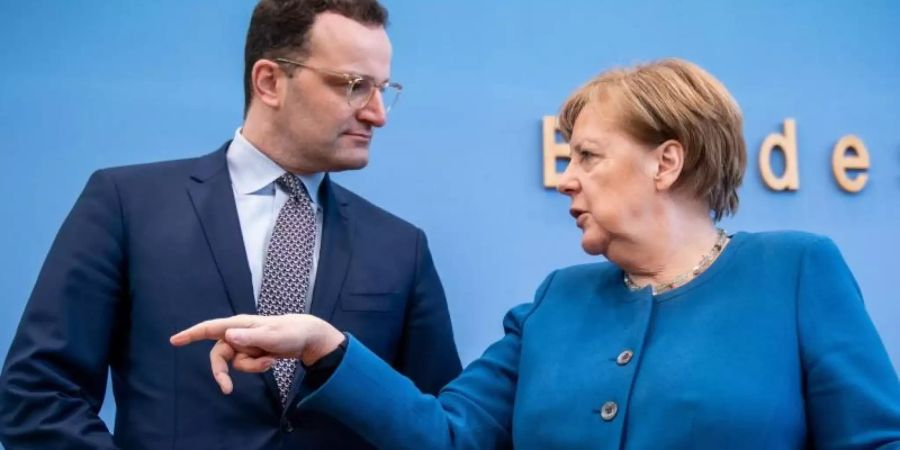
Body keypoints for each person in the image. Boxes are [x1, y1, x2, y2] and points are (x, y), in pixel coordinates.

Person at [171, 58, 900, 449]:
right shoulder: (557, 301)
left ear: (666, 163)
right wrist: (325, 344)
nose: (565, 177)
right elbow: (445, 436)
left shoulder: (798, 271)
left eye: (585, 155)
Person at [0, 1, 462, 449]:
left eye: (384, 89)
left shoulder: (402, 248)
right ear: (269, 82)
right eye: (354, 85)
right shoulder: (127, 204)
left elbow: (437, 426)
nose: (376, 114)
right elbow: (38, 395)